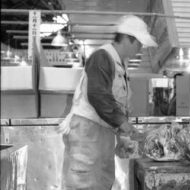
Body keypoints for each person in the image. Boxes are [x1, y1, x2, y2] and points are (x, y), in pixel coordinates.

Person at [58, 15, 157, 190]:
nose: (140, 49)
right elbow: (98, 95)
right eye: (139, 44)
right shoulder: (102, 56)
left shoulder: (120, 64)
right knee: (85, 183)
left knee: (101, 182)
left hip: (101, 135)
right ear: (127, 39)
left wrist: (123, 136)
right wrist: (123, 123)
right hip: (88, 133)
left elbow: (119, 103)